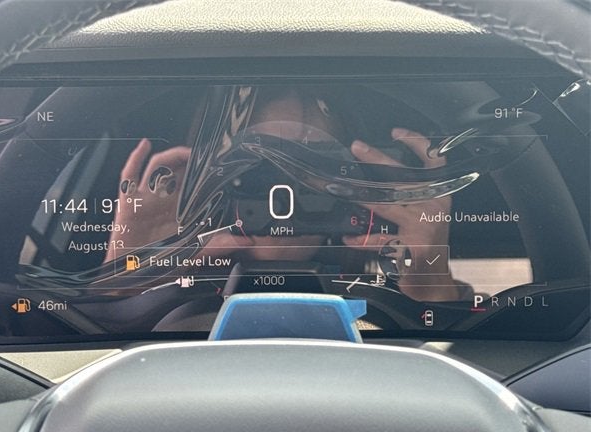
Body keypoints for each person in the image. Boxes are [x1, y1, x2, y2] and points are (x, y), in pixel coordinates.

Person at [105, 86, 468, 302]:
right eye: (257, 167)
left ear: (355, 187)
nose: (283, 193)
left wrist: (428, 283)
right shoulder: (165, 288)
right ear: (202, 181)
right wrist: (129, 278)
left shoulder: (390, 294)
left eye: (316, 166)